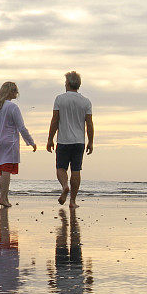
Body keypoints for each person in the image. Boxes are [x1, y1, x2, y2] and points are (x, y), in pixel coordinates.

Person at [47, 71, 94, 208]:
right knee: (76, 170)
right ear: (78, 85)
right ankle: (72, 201)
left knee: (60, 168)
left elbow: (55, 120)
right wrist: (90, 141)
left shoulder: (60, 99)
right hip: (79, 141)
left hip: (63, 141)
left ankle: (64, 186)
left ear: (67, 83)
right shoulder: (86, 101)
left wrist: (50, 139)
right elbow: (89, 123)